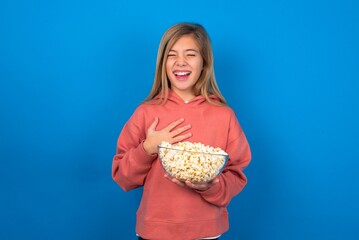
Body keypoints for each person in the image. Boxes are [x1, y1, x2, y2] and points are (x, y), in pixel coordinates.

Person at [112, 22, 251, 240]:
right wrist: (147, 148)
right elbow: (122, 176)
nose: (181, 62)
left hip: (205, 231)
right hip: (155, 231)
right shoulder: (146, 112)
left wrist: (210, 186)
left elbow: (236, 174)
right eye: (172, 55)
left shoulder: (224, 116)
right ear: (163, 63)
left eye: (191, 54)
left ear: (204, 62)